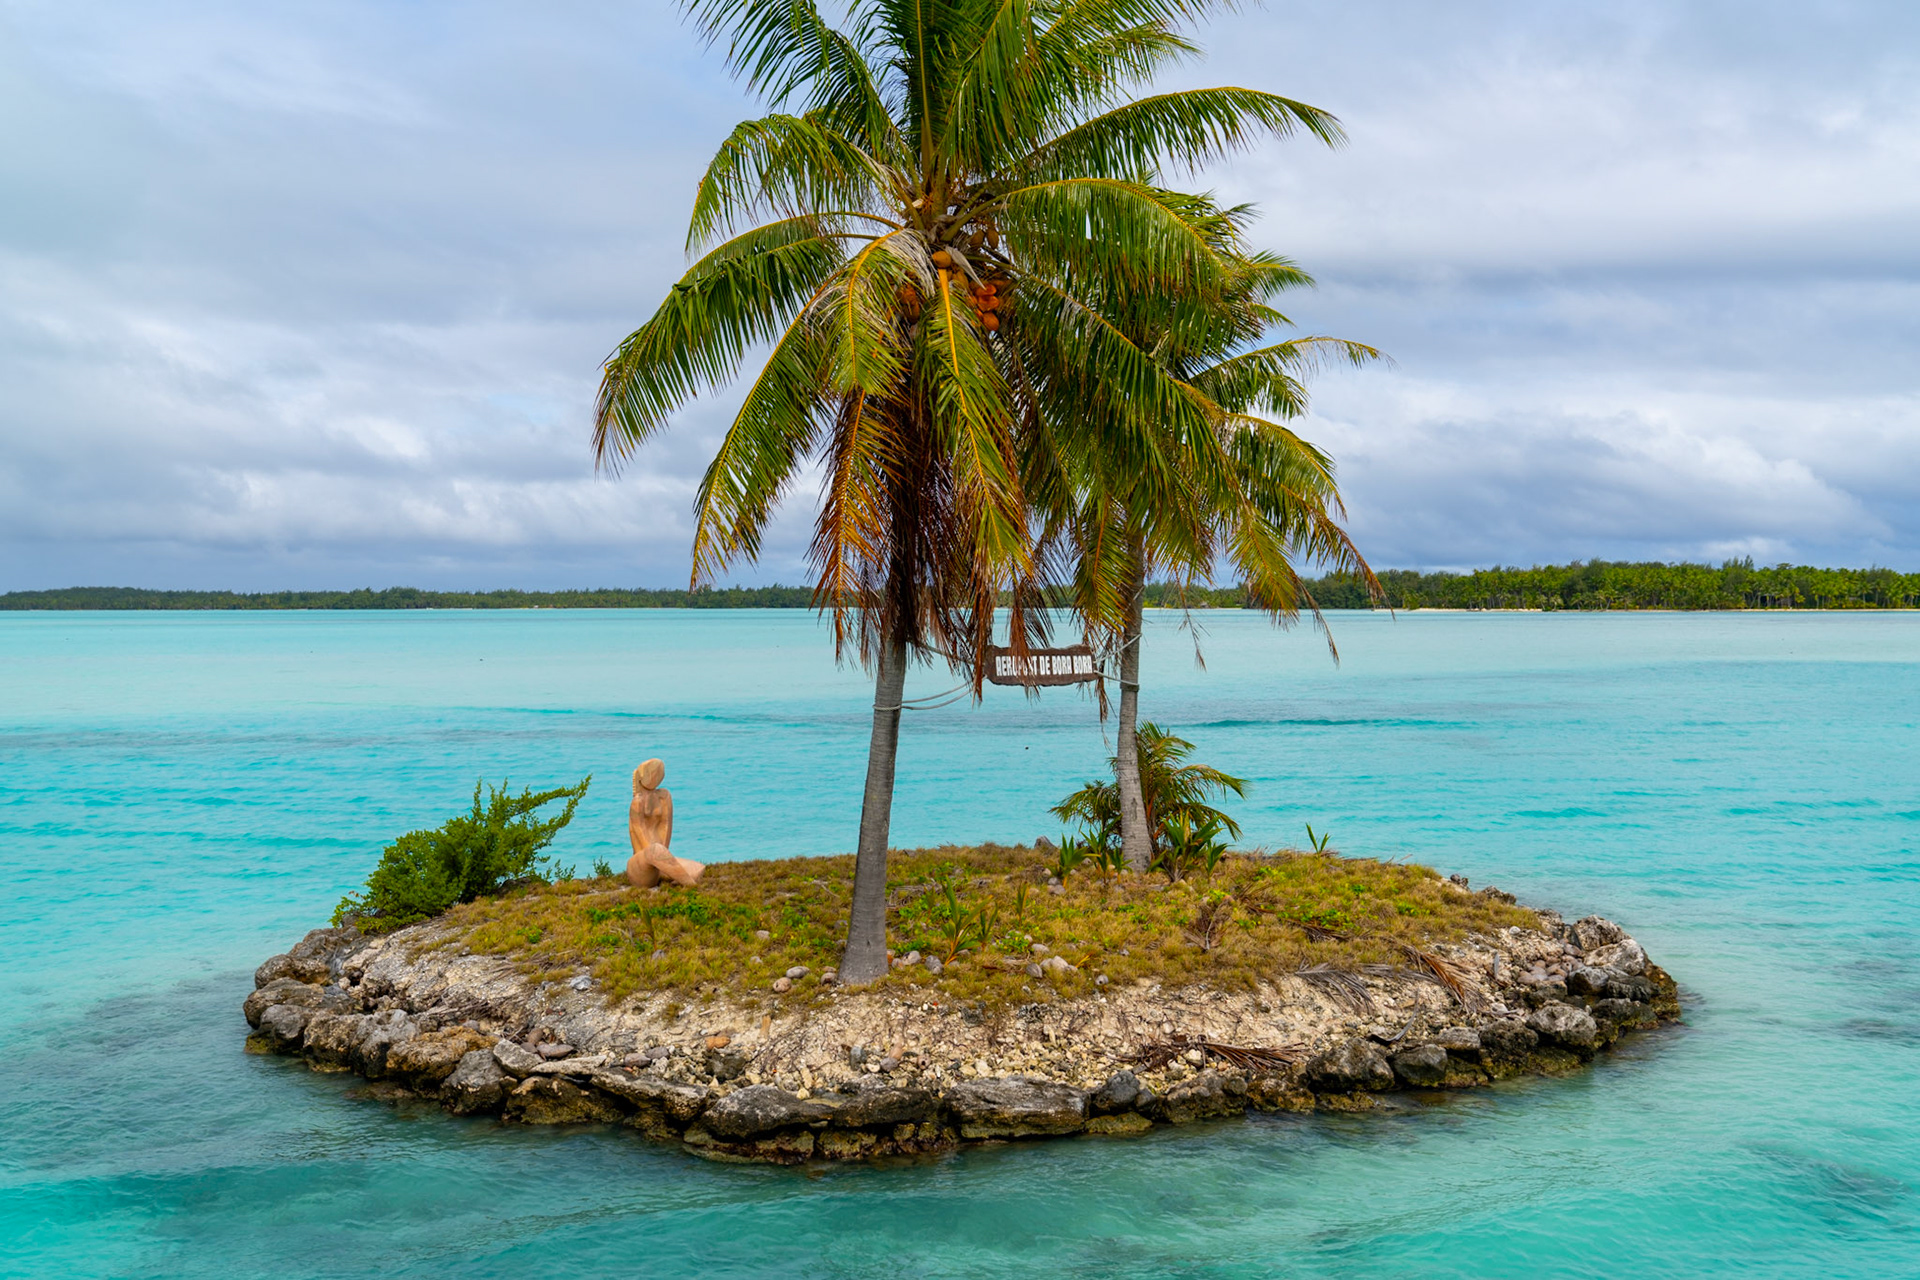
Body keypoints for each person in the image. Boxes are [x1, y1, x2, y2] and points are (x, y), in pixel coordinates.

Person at [626, 758, 703, 887]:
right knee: (655, 850)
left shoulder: (664, 796)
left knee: (698, 868)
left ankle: (672, 878)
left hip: (659, 861)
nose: (657, 775)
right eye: (652, 772)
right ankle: (691, 886)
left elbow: (666, 824)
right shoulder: (637, 802)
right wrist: (657, 855)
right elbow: (638, 832)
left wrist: (663, 858)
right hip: (640, 866)